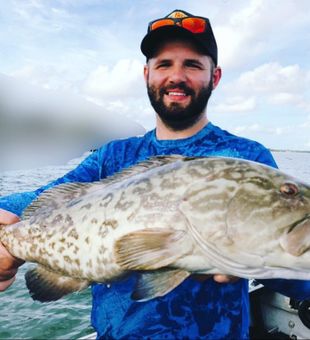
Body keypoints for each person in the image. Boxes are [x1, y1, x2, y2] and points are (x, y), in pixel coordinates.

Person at [0, 9, 309, 339]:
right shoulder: (113, 156)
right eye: (164, 65)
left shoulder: (248, 156)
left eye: (192, 64)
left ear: (214, 77)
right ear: (147, 74)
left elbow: (285, 263)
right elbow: (38, 202)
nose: (177, 76)